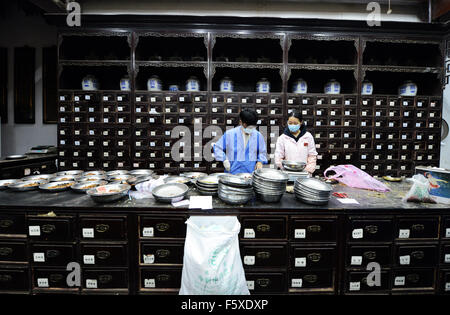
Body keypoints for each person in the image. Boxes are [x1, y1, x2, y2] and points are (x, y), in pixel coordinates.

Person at [214, 109, 268, 174]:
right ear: (240, 122)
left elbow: (262, 152)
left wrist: (260, 162)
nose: (250, 129)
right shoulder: (230, 134)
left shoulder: (258, 136)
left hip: (250, 174)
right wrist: (224, 159)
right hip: (232, 173)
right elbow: (217, 147)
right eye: (247, 126)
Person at [275, 110, 317, 174]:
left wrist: (308, 170)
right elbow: (278, 157)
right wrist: (286, 169)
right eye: (290, 123)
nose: (292, 125)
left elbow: (312, 155)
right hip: (287, 172)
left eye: (295, 123)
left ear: (301, 122)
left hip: (305, 173)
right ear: (287, 122)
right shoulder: (282, 138)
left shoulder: (308, 136)